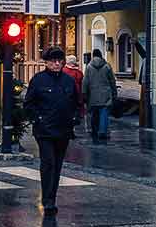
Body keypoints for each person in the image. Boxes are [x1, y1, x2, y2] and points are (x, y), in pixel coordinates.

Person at [24, 46, 79, 216]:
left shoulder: (68, 81)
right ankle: (47, 200)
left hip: (63, 129)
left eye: (59, 61)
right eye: (53, 61)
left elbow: (76, 102)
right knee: (48, 163)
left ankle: (52, 197)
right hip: (45, 130)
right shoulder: (38, 80)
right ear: (46, 63)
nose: (56, 64)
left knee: (57, 165)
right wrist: (37, 119)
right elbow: (29, 104)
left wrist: (74, 119)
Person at [83, 49, 117, 144]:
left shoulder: (89, 67)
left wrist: (84, 93)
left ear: (93, 56)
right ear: (101, 55)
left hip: (93, 93)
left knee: (94, 113)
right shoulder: (107, 66)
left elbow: (85, 81)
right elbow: (112, 81)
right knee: (104, 113)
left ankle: (94, 130)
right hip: (106, 93)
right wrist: (114, 93)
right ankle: (102, 131)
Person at [62, 55, 85, 124]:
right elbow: (82, 84)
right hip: (77, 94)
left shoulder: (63, 71)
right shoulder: (78, 72)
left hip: (65, 93)